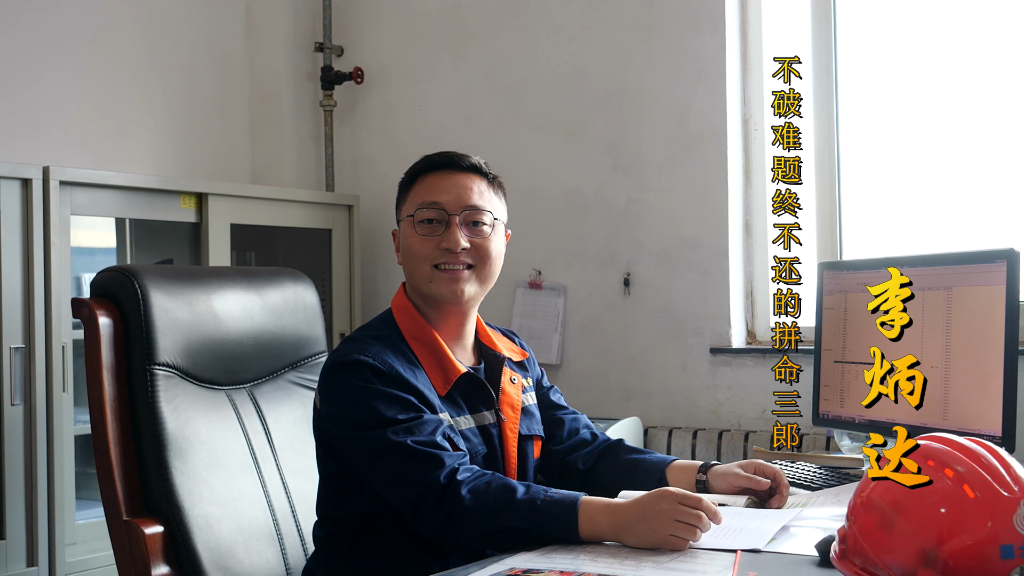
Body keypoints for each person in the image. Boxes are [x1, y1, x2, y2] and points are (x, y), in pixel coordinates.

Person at [303, 151, 790, 576]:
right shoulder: (367, 371)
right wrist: (620, 520)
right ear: (397, 243)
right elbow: (451, 496)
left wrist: (707, 475)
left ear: (504, 240)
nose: (455, 240)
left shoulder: (511, 354)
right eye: (430, 221)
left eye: (476, 222)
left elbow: (583, 452)